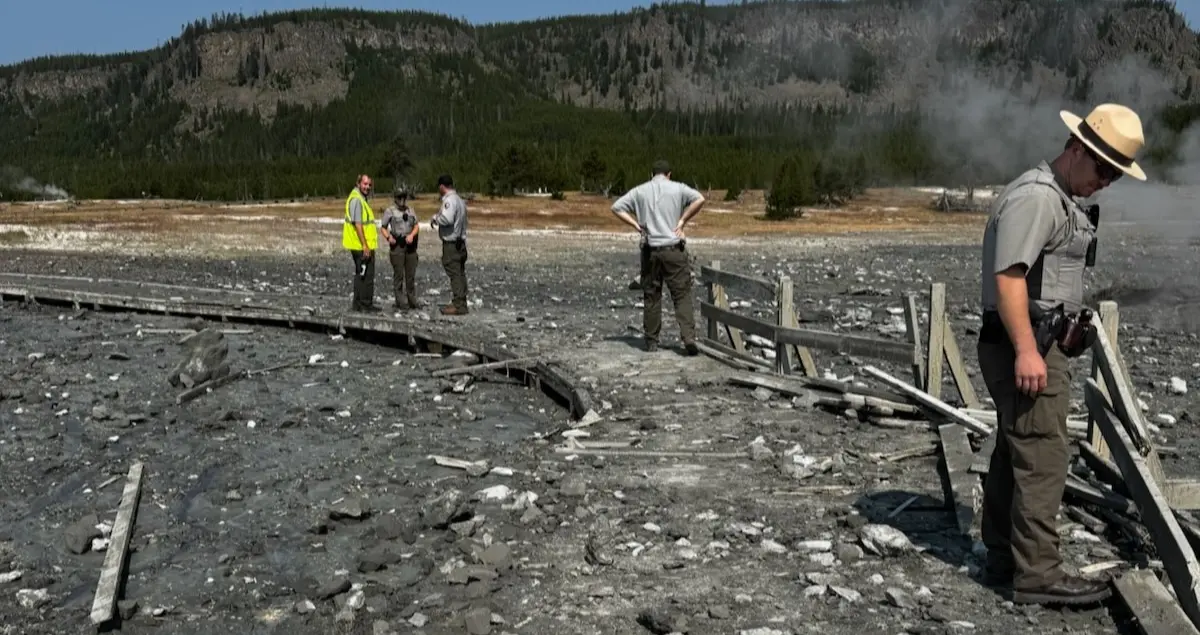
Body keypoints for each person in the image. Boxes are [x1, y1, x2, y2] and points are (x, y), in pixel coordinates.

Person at [976, 103, 1146, 606]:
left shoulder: (1056, 197)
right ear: (1077, 149)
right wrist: (1029, 349)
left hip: (1032, 341)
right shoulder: (1038, 198)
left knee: (1017, 450)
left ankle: (1004, 559)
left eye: (1115, 174)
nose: (1106, 181)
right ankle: (1038, 575)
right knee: (1044, 455)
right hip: (1025, 345)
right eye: (1103, 169)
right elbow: (1008, 277)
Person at [611, 159, 706, 354]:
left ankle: (652, 341)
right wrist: (682, 221)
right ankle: (688, 337)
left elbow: (617, 207)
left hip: (650, 249)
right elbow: (699, 199)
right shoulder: (678, 188)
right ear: (669, 174)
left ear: (651, 174)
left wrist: (637, 226)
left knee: (652, 295)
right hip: (673, 248)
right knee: (681, 295)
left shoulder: (640, 191)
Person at [430, 174, 469, 315]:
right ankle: (461, 300)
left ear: (442, 186)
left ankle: (459, 305)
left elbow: (447, 218)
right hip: (461, 242)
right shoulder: (459, 200)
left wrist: (435, 218)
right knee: (460, 272)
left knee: (454, 273)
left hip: (452, 243)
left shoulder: (450, 201)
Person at [343, 174, 381, 312]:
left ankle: (358, 304)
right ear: (358, 183)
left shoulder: (359, 198)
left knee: (361, 273)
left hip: (359, 244)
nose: (367, 187)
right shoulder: (357, 200)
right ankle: (365, 304)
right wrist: (365, 245)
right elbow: (358, 224)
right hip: (360, 246)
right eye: (365, 184)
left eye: (369, 185)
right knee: (366, 275)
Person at [380, 187, 422, 310]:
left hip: (410, 245)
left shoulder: (410, 210)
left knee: (411, 274)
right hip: (397, 244)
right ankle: (400, 301)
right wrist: (388, 237)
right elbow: (383, 227)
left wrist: (412, 235)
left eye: (404, 197)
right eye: (399, 197)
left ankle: (412, 300)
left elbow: (416, 226)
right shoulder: (390, 211)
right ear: (395, 198)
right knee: (399, 274)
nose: (402, 200)